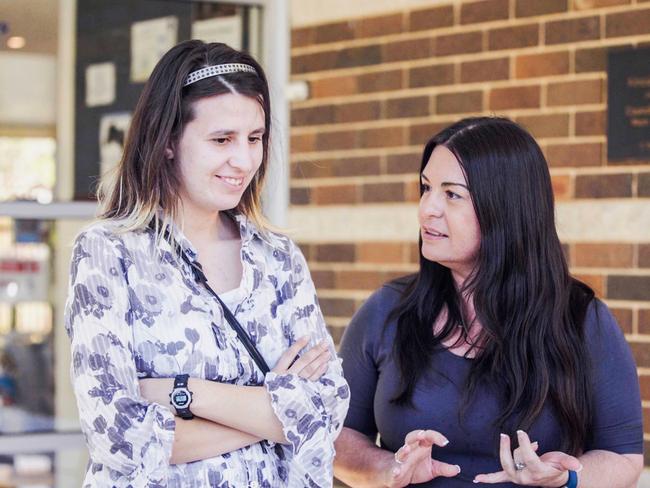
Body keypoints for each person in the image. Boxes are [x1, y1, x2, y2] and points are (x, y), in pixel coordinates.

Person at [64, 40, 349, 487]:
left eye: (254, 138)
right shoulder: (108, 252)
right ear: (168, 142)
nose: (243, 159)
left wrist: (186, 392)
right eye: (221, 140)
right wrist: (272, 415)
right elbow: (116, 436)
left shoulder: (278, 259)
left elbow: (326, 411)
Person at [334, 117, 643, 488]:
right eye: (426, 187)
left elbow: (623, 457)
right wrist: (387, 469)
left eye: (452, 194)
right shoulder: (385, 312)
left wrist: (565, 478)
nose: (427, 208)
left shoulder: (581, 320)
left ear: (505, 208)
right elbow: (339, 437)